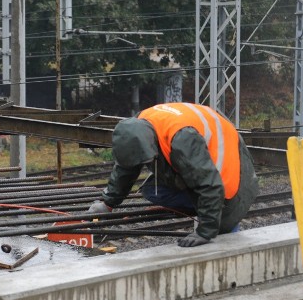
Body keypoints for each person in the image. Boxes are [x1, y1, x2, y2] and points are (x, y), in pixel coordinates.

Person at [89, 102, 258, 247]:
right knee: (152, 190)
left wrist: (205, 231)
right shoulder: (140, 124)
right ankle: (198, 207)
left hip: (230, 174)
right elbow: (127, 167)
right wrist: (107, 203)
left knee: (223, 226)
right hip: (203, 161)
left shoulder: (182, 139)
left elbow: (209, 184)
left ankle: (224, 245)